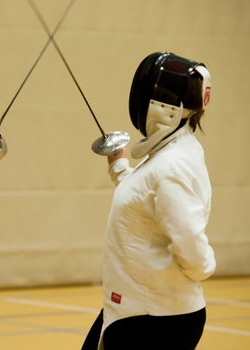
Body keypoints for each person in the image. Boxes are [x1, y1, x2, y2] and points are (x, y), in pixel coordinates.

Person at [82, 52, 216, 350]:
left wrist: (203, 267)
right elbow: (145, 200)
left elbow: (193, 250)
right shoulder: (170, 155)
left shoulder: (171, 166)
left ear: (164, 106)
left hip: (156, 318)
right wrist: (119, 166)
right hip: (135, 308)